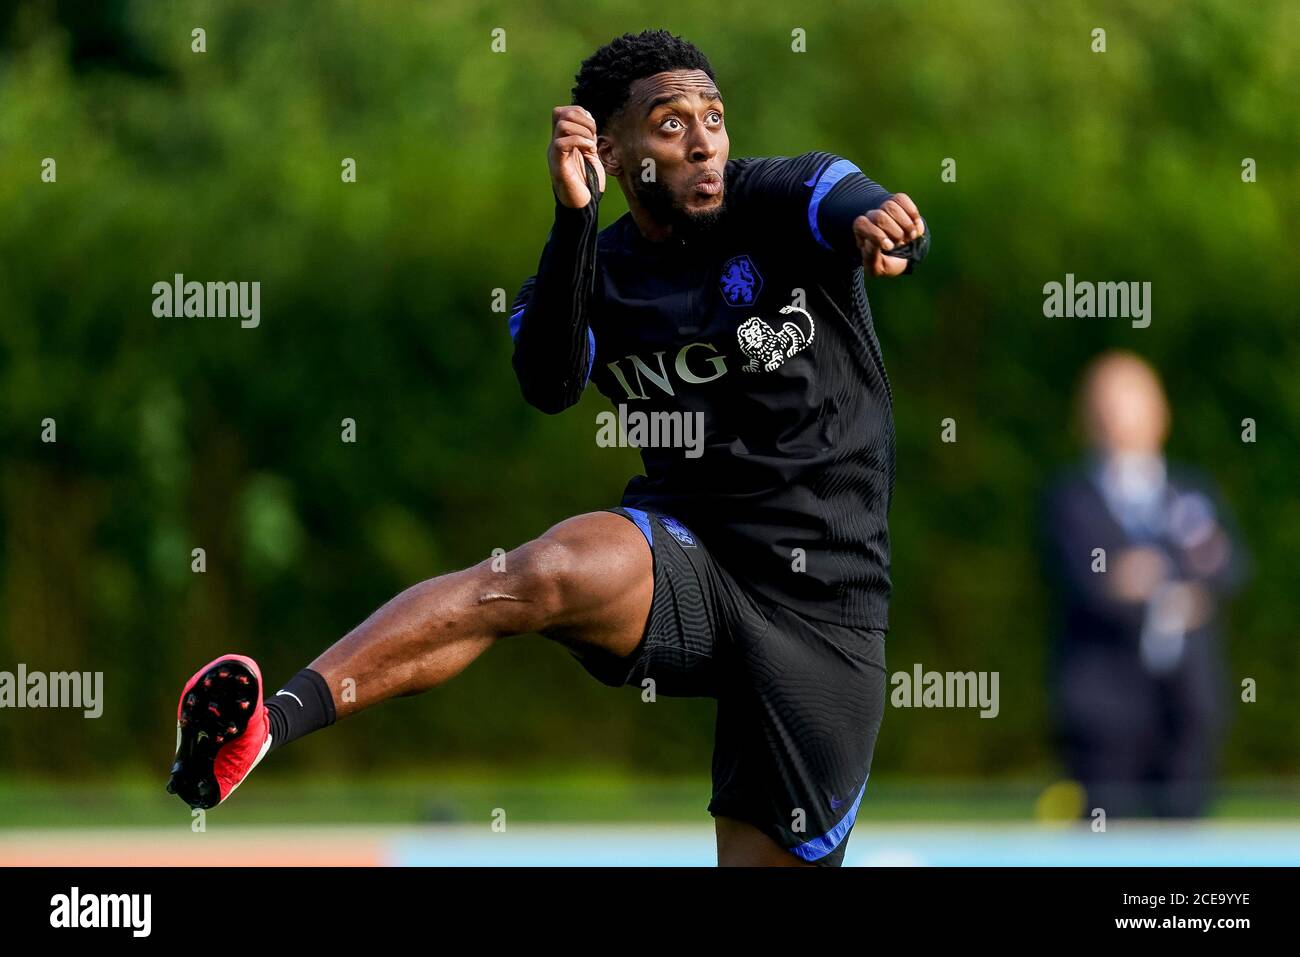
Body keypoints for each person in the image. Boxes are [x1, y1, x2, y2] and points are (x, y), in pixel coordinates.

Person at [167, 29, 930, 866]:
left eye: (714, 116)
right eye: (672, 123)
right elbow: (550, 381)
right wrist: (574, 219)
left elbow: (852, 198)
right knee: (536, 572)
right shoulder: (585, 267)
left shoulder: (781, 199)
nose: (705, 140)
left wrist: (886, 224)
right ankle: (269, 727)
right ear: (608, 148)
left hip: (826, 606)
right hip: (691, 553)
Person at [1042, 351, 1246, 818]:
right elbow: (1087, 580)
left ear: (1161, 410)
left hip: (1188, 705)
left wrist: (1154, 578)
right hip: (1103, 711)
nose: (1119, 414)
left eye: (1132, 398)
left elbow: (1226, 565)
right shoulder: (1070, 498)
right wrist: (1160, 582)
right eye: (1106, 401)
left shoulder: (1192, 490)